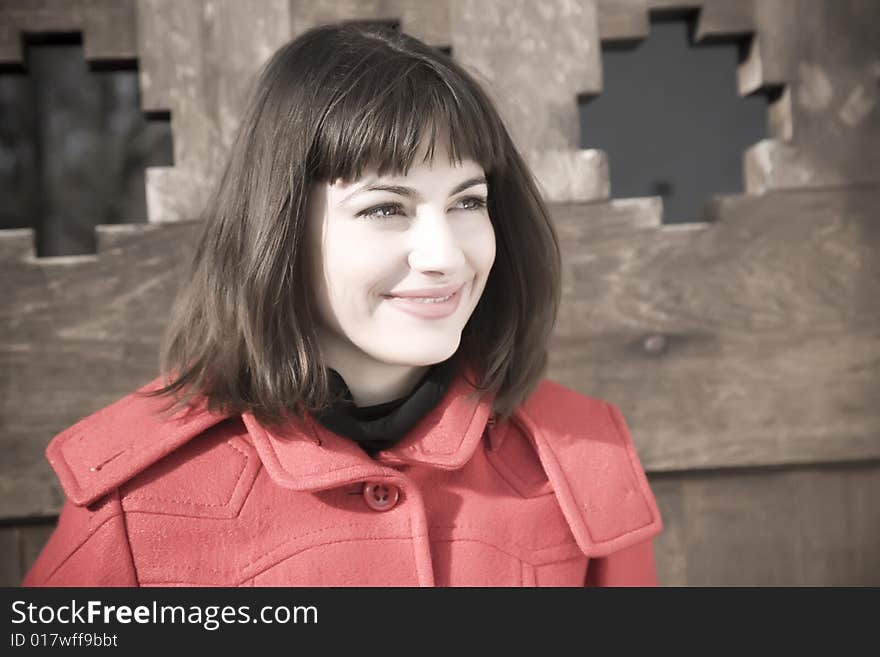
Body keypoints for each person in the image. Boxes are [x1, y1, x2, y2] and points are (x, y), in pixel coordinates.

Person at [22, 22, 662, 587]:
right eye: (387, 208)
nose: (444, 254)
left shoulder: (582, 461)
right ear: (283, 229)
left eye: (468, 201)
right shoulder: (135, 499)